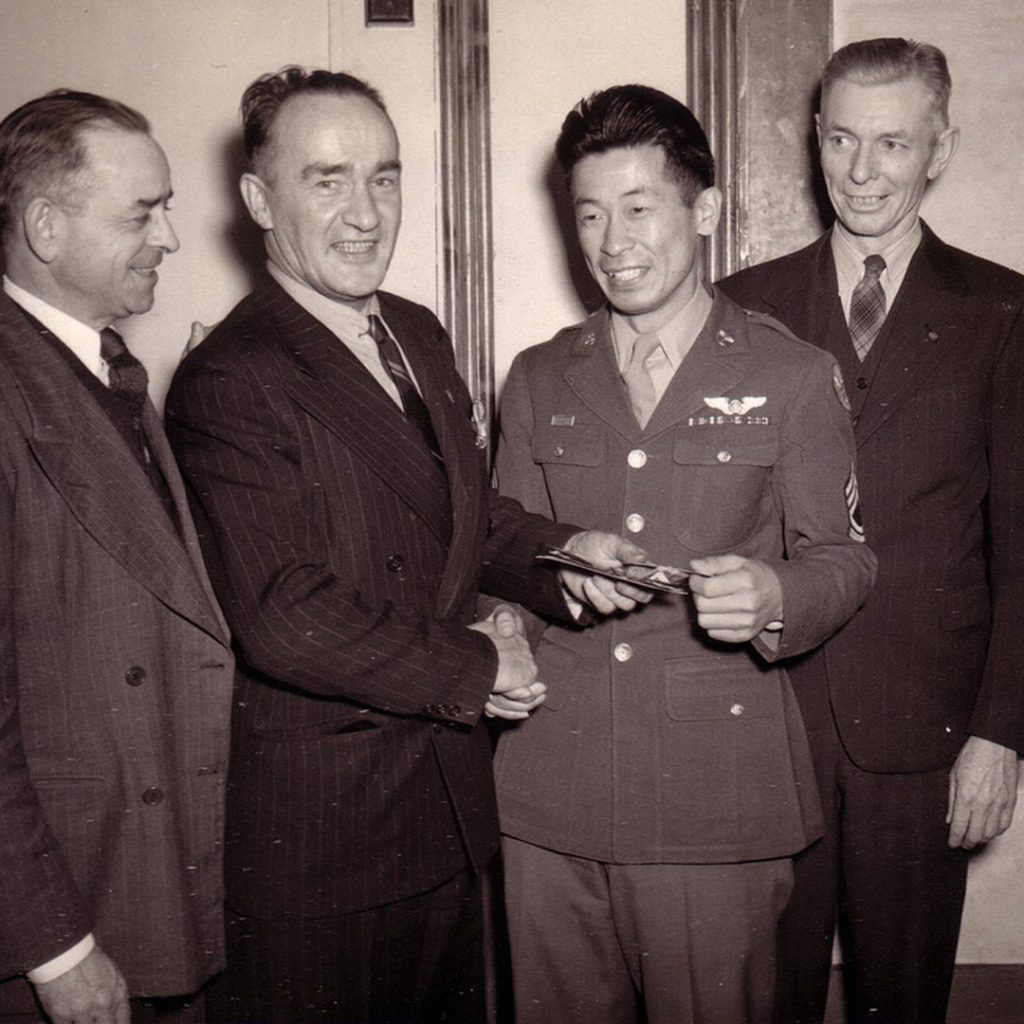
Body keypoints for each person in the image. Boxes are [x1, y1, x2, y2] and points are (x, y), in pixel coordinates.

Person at [164, 67, 647, 1024]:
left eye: (383, 178)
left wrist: (567, 554)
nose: (364, 213)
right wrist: (477, 664)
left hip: (443, 815)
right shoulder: (231, 377)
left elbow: (461, 519)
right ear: (260, 201)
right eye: (327, 180)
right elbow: (284, 616)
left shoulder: (416, 333)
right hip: (319, 846)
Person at [491, 84, 877, 1024]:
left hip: (715, 799)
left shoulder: (790, 374)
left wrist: (776, 591)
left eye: (638, 208)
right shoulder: (540, 375)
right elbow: (499, 549)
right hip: (553, 789)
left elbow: (846, 555)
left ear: (702, 211)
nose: (613, 242)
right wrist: (512, 616)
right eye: (589, 214)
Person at [720, 37, 1024, 1024]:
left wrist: (999, 734)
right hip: (772, 727)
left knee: (904, 1001)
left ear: (937, 149)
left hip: (926, 737)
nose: (862, 171)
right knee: (768, 998)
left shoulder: (1002, 311)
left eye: (891, 145)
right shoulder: (746, 305)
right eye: (842, 140)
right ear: (813, 140)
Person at [0, 91, 234, 1024]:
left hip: (137, 887)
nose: (170, 237)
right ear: (45, 227)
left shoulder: (105, 371)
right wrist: (54, 945)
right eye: (143, 212)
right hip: (62, 919)